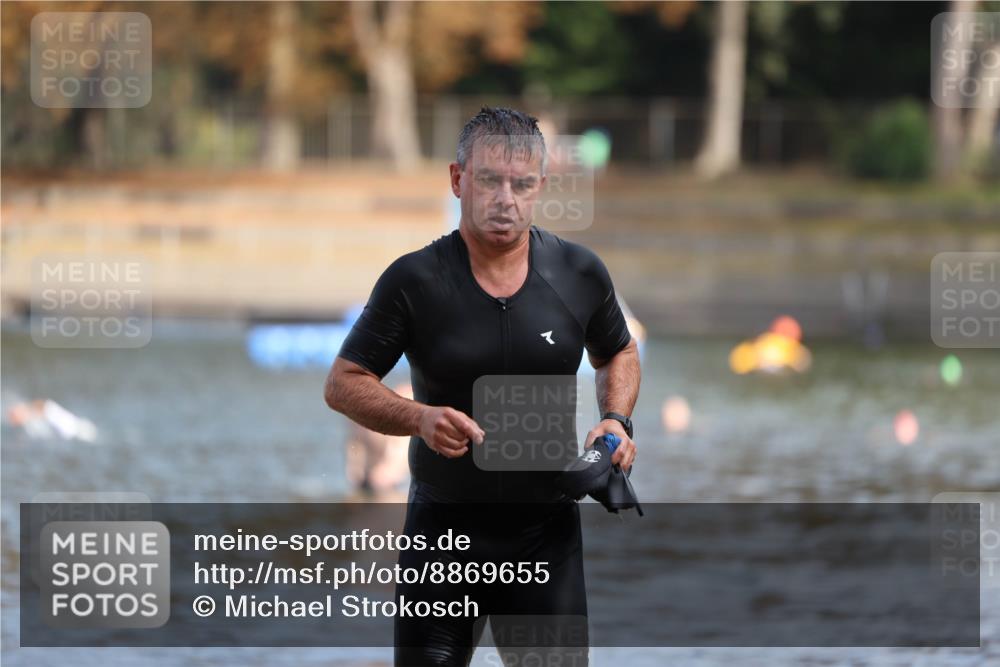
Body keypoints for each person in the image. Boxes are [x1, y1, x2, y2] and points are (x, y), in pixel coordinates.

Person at [324, 107, 641, 667]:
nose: (505, 199)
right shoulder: (415, 280)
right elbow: (344, 383)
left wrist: (615, 419)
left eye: (521, 185)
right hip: (443, 536)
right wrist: (418, 418)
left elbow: (617, 350)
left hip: (545, 536)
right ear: (458, 179)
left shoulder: (578, 272)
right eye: (490, 180)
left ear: (540, 187)